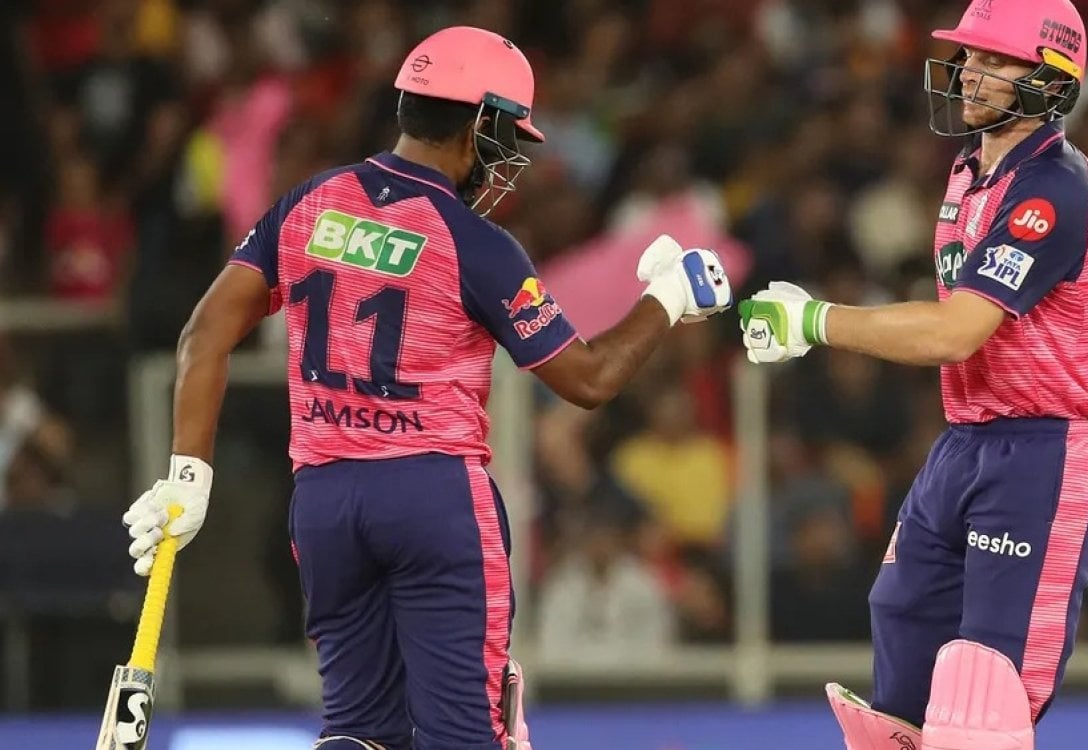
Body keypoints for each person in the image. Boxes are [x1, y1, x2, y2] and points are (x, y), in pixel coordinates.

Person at [119, 26, 730, 750]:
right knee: (465, 737)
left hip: (325, 502)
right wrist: (668, 297)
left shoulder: (310, 203)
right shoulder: (475, 243)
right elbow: (588, 379)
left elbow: (204, 334)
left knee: (355, 731)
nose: (507, 160)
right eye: (507, 136)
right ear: (478, 125)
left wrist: (188, 475)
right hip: (433, 498)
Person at [738, 1, 1088, 748]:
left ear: (1050, 79)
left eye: (994, 60)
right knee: (901, 650)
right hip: (965, 443)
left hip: (1044, 454)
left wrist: (815, 321)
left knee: (983, 703)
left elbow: (956, 331)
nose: (969, 72)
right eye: (969, 56)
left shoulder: (1054, 185)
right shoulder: (970, 172)